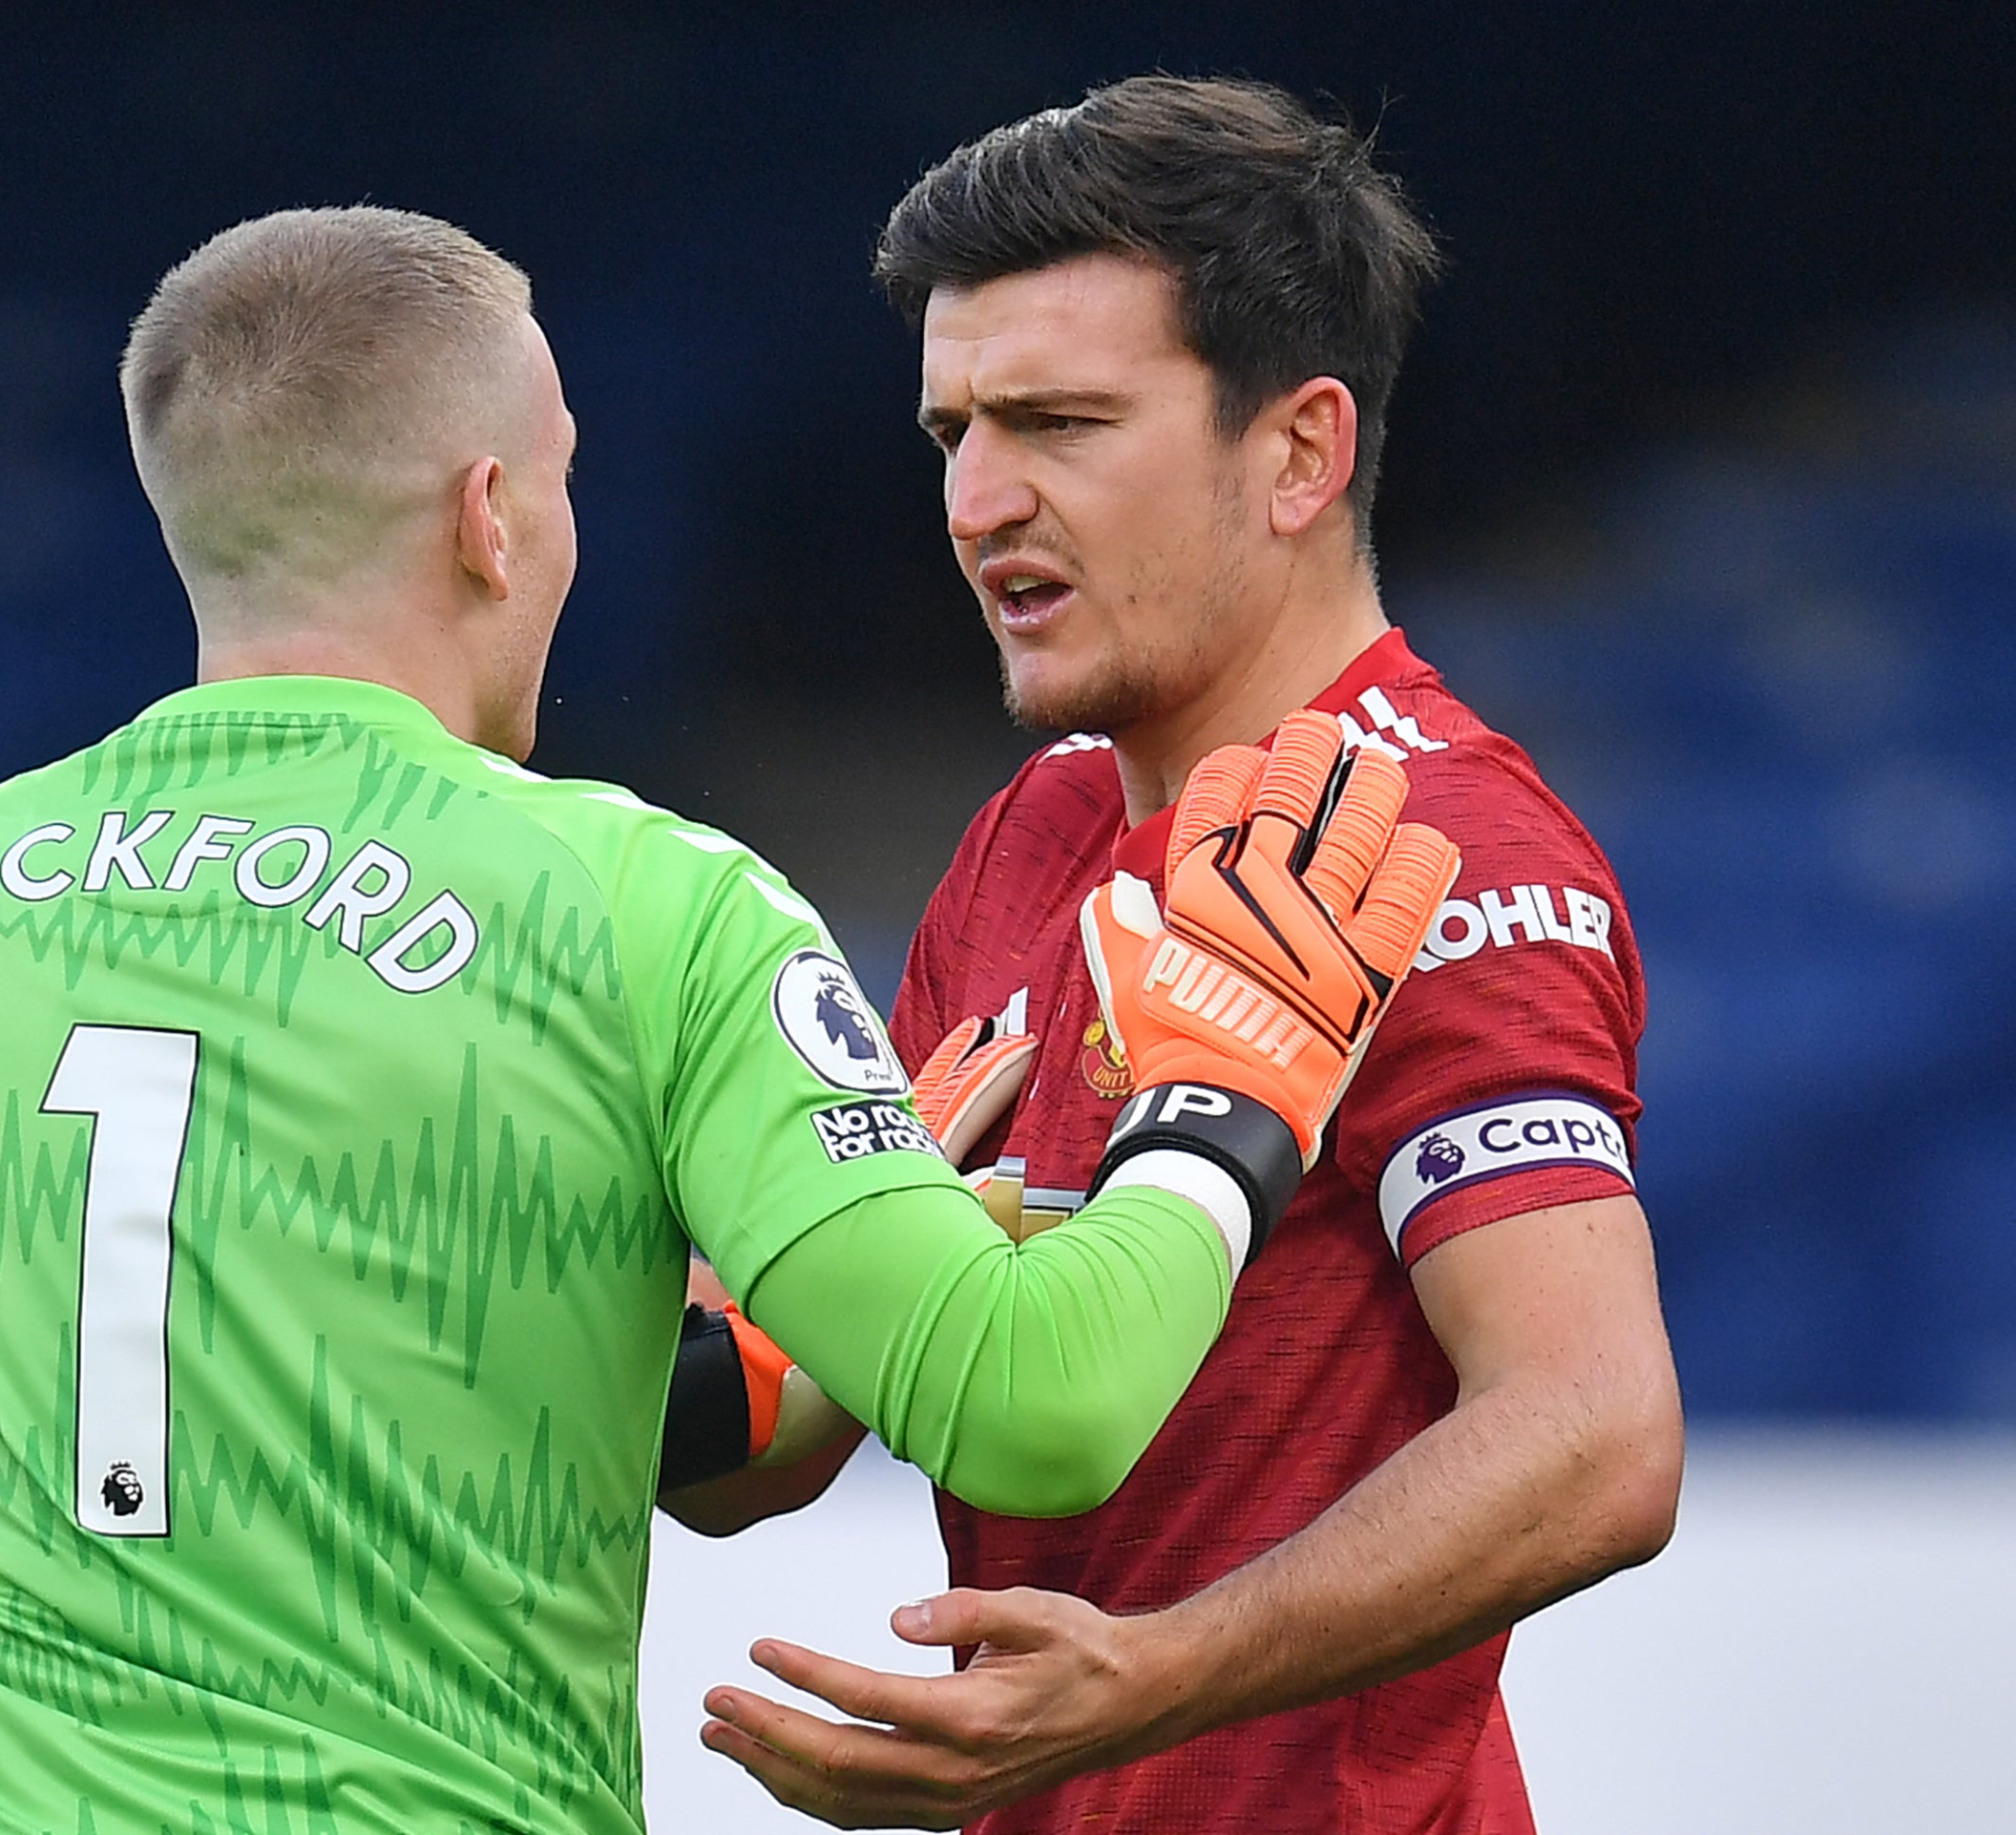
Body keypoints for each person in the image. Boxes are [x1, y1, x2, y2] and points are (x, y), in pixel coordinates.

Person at [0, 204, 1447, 1834]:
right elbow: (1040, 1400)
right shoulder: (638, 905)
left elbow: (283, 1335)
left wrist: (776, 1344)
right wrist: (1229, 1085)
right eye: (565, 482)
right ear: (489, 519)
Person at [691, 77, 1686, 1833]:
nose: (981, 499)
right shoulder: (1029, 835)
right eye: (952, 434)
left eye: (1060, 422)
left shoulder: (1443, 847)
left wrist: (1148, 1682)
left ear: (1299, 450)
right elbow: (771, 1447)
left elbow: (1600, 1432)